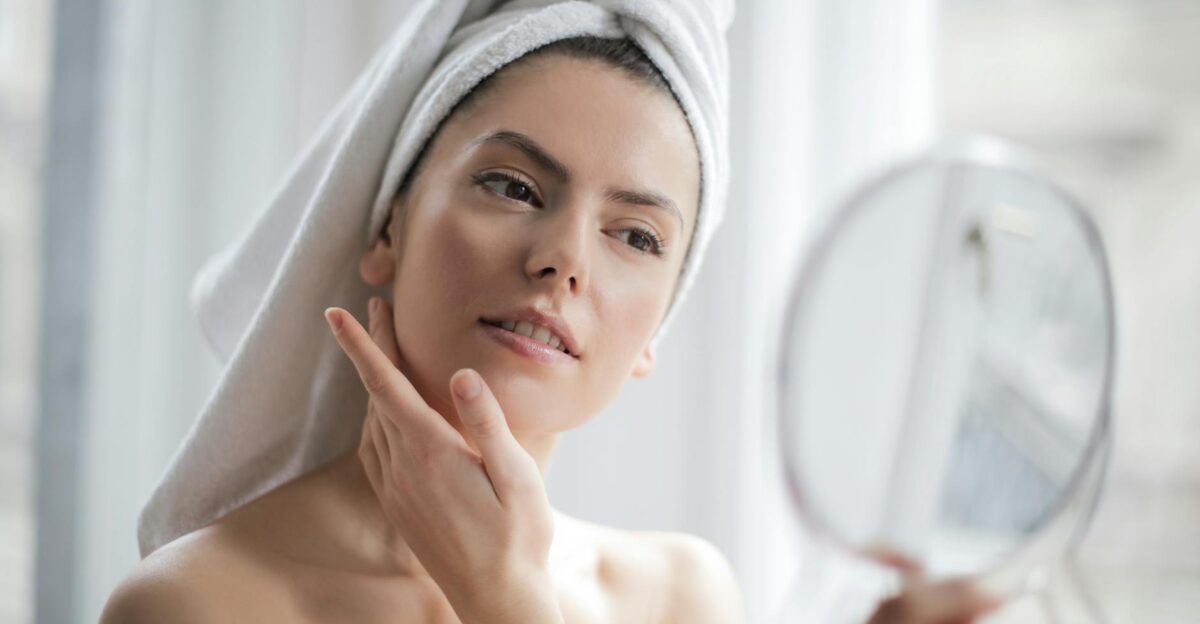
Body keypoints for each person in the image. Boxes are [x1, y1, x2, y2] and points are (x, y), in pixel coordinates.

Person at [100, 8, 1000, 624]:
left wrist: (509, 598)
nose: (564, 257)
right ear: (385, 227)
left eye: (637, 237)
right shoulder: (199, 604)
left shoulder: (680, 598)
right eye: (512, 184)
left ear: (656, 332)